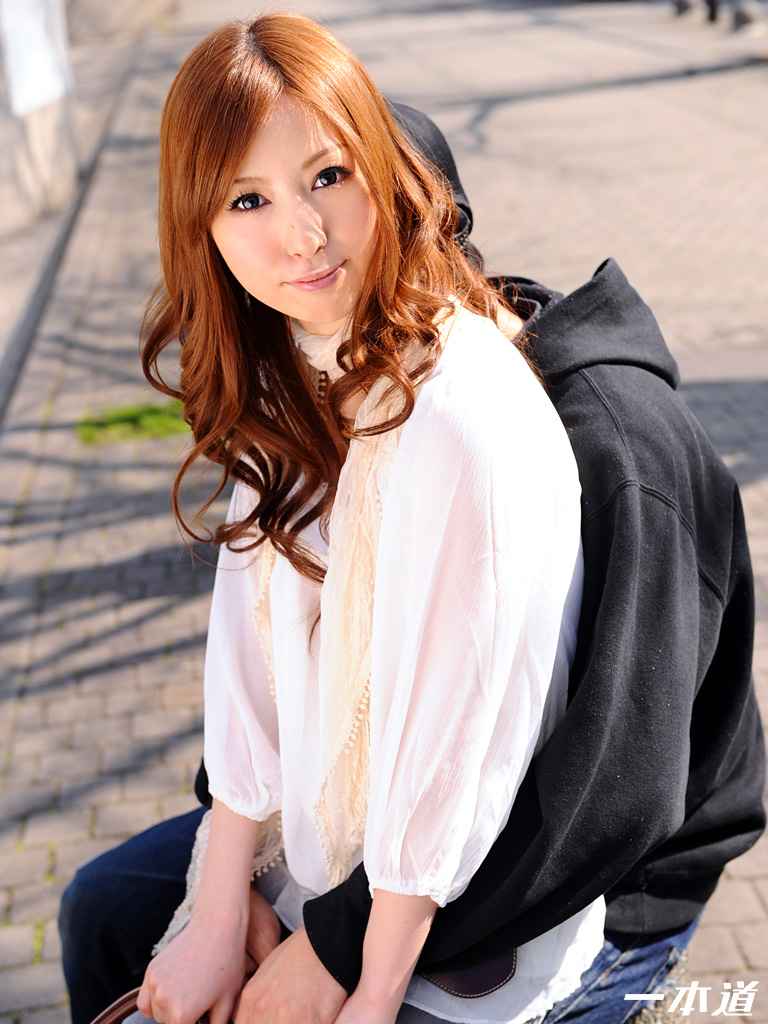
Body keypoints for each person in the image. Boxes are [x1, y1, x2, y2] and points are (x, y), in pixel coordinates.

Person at [57, 14, 766, 1024]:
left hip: (602, 877)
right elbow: (275, 659)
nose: (307, 241)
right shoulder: (335, 373)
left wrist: (333, 948)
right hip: (381, 810)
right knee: (103, 910)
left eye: (332, 182)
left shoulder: (606, 450)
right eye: (250, 200)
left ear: (414, 217)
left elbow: (605, 790)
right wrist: (228, 886)